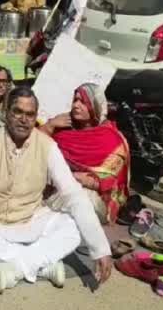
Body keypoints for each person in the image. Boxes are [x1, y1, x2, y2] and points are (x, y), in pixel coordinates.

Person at [0, 86, 112, 294]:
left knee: (73, 225)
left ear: (35, 118)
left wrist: (100, 249)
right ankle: (43, 266)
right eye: (18, 112)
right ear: (6, 113)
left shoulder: (47, 146)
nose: (24, 119)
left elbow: (73, 194)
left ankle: (13, 268)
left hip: (32, 221)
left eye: (30, 114)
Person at [40, 83, 130, 225]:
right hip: (55, 189)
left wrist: (72, 177)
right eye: (75, 100)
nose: (76, 105)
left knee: (79, 199)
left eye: (83, 102)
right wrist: (49, 126)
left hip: (91, 199)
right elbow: (32, 148)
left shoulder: (111, 140)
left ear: (95, 106)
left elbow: (108, 182)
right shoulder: (63, 130)